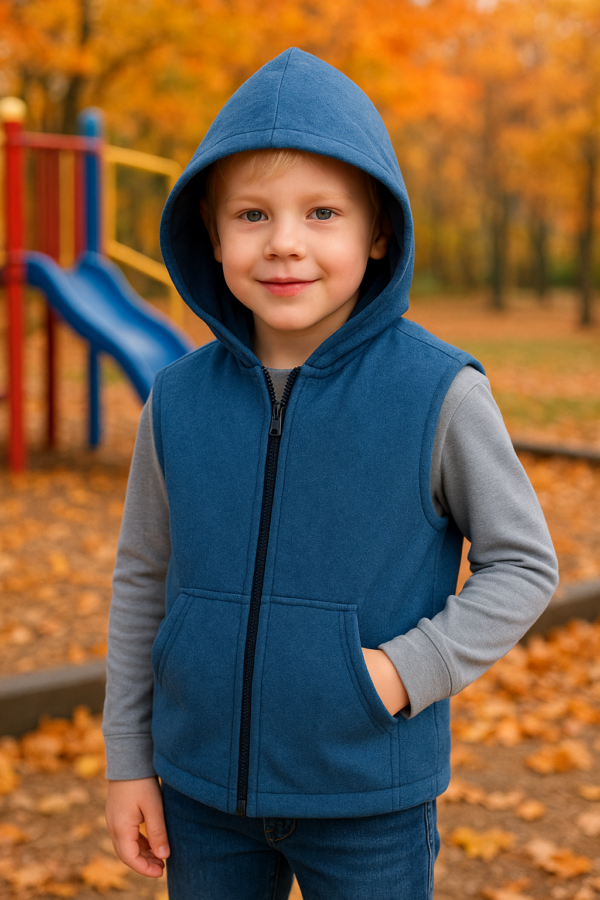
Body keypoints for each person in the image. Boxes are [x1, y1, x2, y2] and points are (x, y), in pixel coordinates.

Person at [103, 48, 558, 900]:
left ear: (376, 230)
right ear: (209, 227)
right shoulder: (176, 402)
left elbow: (526, 564)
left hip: (368, 800)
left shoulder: (440, 394)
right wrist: (130, 760)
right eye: (250, 214)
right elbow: (142, 579)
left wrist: (400, 671)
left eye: (321, 213)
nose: (284, 243)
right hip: (201, 796)